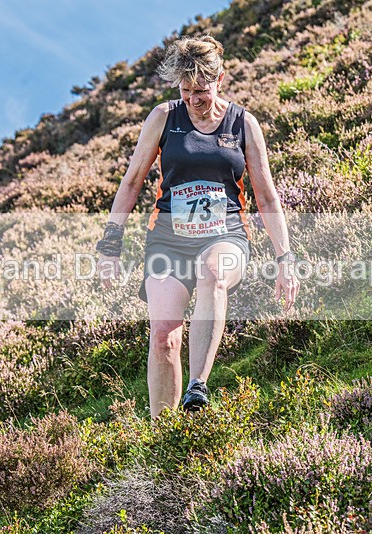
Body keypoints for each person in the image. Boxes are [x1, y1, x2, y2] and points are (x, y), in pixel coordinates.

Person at [96, 35, 299, 418]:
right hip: (168, 241)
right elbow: (132, 182)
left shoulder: (243, 123)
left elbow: (267, 197)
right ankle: (163, 438)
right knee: (163, 338)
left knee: (212, 273)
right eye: (185, 91)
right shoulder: (163, 117)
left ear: (220, 79)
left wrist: (284, 257)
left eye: (201, 91)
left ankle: (197, 388)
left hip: (226, 235)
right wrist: (111, 243)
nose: (193, 100)